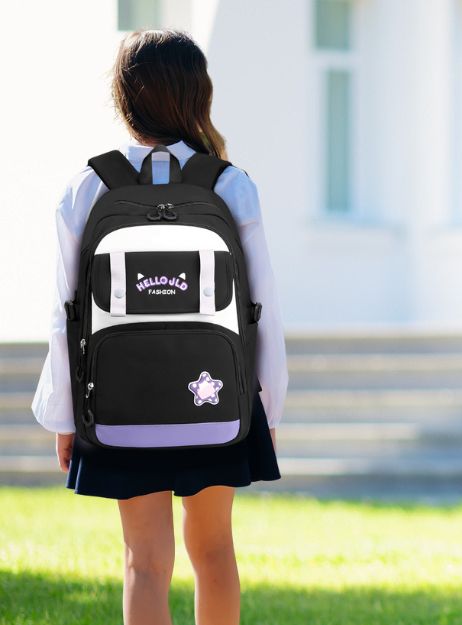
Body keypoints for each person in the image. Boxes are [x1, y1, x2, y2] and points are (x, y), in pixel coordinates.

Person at [30, 30, 288, 625]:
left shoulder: (87, 188)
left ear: (125, 97)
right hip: (216, 396)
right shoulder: (229, 184)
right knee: (215, 550)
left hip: (121, 403)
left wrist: (65, 415)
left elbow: (64, 315)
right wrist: (266, 407)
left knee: (144, 560)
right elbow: (263, 305)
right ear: (199, 96)